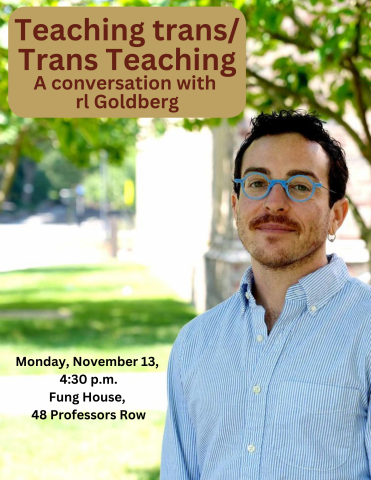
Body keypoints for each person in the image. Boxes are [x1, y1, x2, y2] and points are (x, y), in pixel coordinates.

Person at [160, 110, 371, 479]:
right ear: (236, 205)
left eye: (301, 186)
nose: (274, 203)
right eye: (257, 183)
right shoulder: (195, 343)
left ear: (337, 215)